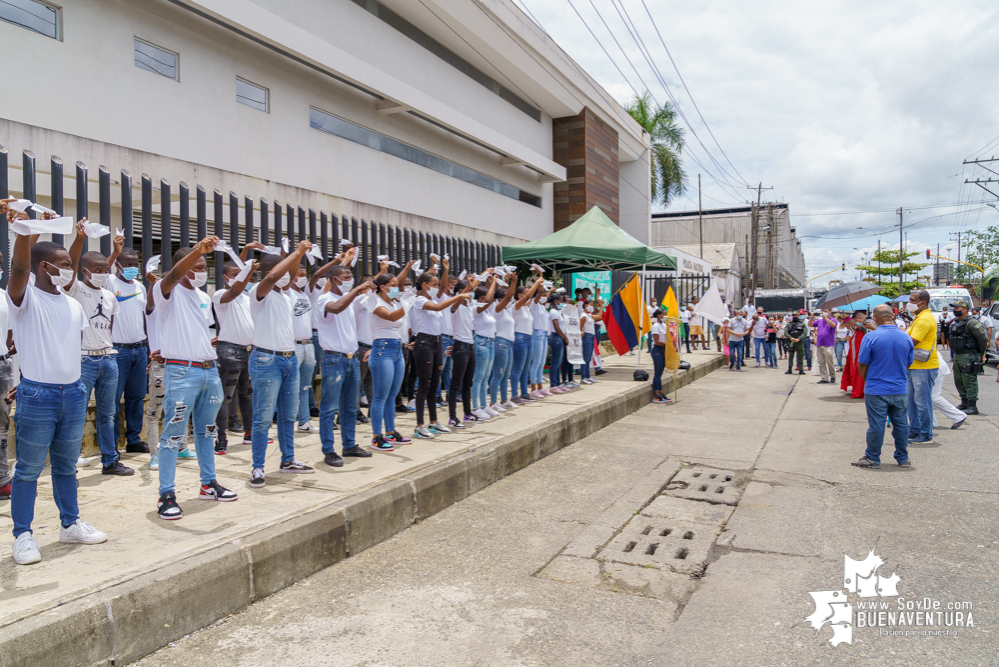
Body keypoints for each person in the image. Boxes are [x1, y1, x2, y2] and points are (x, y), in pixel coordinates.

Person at [5, 210, 110, 564]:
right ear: (43, 267)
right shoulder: (25, 299)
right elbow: (18, 270)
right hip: (38, 394)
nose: (69, 267)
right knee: (29, 469)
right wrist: (23, 233)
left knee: (66, 466)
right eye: (62, 263)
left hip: (74, 392)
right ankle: (23, 535)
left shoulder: (72, 304)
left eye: (70, 262)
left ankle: (70, 523)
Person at [152, 237, 238, 519]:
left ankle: (208, 483)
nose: (201, 271)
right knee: (173, 434)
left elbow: (197, 331)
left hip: (208, 369)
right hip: (181, 371)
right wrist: (198, 250)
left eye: (204, 266)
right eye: (197, 265)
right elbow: (174, 275)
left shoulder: (203, 297)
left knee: (206, 431)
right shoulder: (167, 291)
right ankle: (166, 494)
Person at [248, 241, 317, 489]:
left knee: (289, 415)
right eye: (282, 272)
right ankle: (257, 466)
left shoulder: (286, 295)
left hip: (289, 359)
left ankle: (287, 460)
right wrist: (296, 252)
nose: (288, 278)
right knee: (263, 418)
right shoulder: (259, 291)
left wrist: (298, 255)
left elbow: (284, 277)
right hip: (266, 359)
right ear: (269, 274)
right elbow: (277, 275)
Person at [65, 223, 132, 476]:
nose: (103, 274)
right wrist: (80, 237)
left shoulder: (109, 295)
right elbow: (70, 266)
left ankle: (110, 460)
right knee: (76, 414)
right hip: (83, 360)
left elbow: (109, 327)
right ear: (84, 272)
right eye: (97, 270)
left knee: (108, 414)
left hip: (108, 359)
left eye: (106, 270)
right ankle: (70, 463)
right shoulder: (75, 289)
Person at [315, 261, 376, 466]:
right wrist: (358, 288)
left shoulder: (350, 300)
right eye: (347, 277)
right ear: (335, 279)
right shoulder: (325, 298)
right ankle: (329, 449)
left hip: (352, 358)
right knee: (329, 407)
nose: (350, 280)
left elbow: (370, 303)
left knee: (350, 406)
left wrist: (372, 289)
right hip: (334, 358)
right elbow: (336, 308)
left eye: (352, 277)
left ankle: (349, 444)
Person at [410, 264, 471, 438]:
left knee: (434, 384)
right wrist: (458, 296)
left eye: (437, 284)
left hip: (436, 342)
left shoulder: (434, 299)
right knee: (424, 385)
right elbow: (438, 308)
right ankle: (419, 425)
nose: (437, 288)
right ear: (424, 285)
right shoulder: (420, 300)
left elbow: (440, 303)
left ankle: (434, 421)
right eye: (434, 284)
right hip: (424, 342)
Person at [851, 304, 914, 469]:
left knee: (876, 425)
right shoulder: (905, 337)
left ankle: (873, 457)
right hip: (899, 388)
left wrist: (868, 380)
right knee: (901, 424)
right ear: (892, 316)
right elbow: (908, 363)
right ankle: (902, 458)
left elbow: (862, 363)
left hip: (876, 388)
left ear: (875, 318)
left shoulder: (871, 337)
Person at [106, 235, 150, 455]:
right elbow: (101, 269)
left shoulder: (140, 287)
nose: (133, 267)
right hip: (117, 350)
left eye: (136, 264)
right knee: (113, 401)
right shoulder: (109, 282)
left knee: (136, 398)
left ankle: (133, 440)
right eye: (128, 264)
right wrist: (115, 251)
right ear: (118, 265)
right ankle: (112, 444)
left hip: (139, 349)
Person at [211, 259, 257, 455]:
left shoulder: (247, 297)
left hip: (249, 351)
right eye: (234, 275)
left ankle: (250, 433)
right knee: (225, 397)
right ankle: (221, 438)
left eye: (242, 274)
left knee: (248, 394)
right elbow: (235, 291)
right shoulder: (221, 294)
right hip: (230, 352)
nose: (241, 279)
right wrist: (247, 270)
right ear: (224, 277)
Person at [368, 268, 416, 449]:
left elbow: (398, 317)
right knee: (380, 396)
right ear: (382, 287)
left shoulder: (396, 303)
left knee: (391, 395)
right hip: (382, 349)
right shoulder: (375, 302)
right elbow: (389, 317)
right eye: (393, 286)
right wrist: (407, 305)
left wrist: (404, 305)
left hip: (397, 348)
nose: (397, 289)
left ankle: (390, 431)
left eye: (397, 285)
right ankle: (376, 436)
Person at [904, 290, 940, 444]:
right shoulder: (918, 318)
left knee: (922, 402)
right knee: (910, 401)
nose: (909, 302)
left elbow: (911, 342)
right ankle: (914, 430)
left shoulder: (924, 319)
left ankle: (926, 434)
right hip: (914, 365)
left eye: (912, 300)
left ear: (922, 302)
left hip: (923, 367)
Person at [287, 263, 318, 434]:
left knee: (305, 386)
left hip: (308, 344)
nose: (302, 277)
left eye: (304, 274)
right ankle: (287, 418)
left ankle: (304, 421)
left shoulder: (304, 295)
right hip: (294, 345)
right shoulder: (287, 293)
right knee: (290, 384)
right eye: (299, 274)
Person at [447, 277, 481, 428]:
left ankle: (468, 413)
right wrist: (467, 288)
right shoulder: (457, 306)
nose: (472, 294)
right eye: (470, 291)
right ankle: (452, 417)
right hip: (460, 346)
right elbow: (456, 303)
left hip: (470, 345)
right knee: (456, 383)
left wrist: (473, 282)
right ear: (461, 292)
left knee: (468, 383)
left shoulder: (469, 307)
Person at [946, 299, 987, 415]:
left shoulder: (972, 322)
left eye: (957, 308)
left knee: (969, 380)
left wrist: (980, 354)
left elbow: (982, 339)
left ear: (964, 309)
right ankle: (964, 402)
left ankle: (972, 406)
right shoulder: (957, 322)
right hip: (958, 355)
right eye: (954, 308)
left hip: (968, 355)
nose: (955, 310)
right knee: (959, 380)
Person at [488, 274, 519, 413]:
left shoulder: (506, 310)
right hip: (500, 343)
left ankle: (504, 400)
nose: (511, 299)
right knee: (497, 374)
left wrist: (506, 282)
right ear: (501, 299)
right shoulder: (497, 308)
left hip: (509, 344)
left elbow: (506, 295)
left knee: (505, 374)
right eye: (508, 297)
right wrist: (514, 282)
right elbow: (507, 296)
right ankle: (493, 402)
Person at [931, 347, 967, 429]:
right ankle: (930, 422)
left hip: (934, 367)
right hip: (935, 366)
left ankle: (958, 416)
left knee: (932, 396)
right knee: (926, 397)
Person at [528, 286, 553, 398]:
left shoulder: (543, 307)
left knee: (542, 362)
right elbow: (539, 296)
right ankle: (533, 388)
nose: (544, 297)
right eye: (542, 295)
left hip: (543, 335)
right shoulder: (534, 304)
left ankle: (540, 387)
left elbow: (545, 297)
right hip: (537, 334)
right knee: (536, 362)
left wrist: (550, 291)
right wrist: (540, 286)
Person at [840, 311, 871, 398]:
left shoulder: (868, 324)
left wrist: (861, 327)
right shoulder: (858, 328)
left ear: (859, 319)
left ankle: (861, 390)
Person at [547, 293, 571, 391]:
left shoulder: (557, 311)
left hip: (559, 337)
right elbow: (557, 328)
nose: (561, 302)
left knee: (558, 362)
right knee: (555, 362)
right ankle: (553, 384)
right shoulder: (553, 312)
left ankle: (558, 382)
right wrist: (565, 337)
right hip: (556, 337)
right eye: (560, 300)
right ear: (556, 301)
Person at [650, 309, 671, 403]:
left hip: (663, 350)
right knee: (657, 373)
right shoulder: (655, 326)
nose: (665, 316)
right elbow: (657, 341)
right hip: (657, 350)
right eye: (663, 315)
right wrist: (668, 344)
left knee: (660, 373)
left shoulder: (664, 325)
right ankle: (656, 395)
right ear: (658, 315)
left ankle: (661, 392)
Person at [813, 309, 838, 384]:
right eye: (823, 311)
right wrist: (811, 317)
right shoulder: (819, 321)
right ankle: (824, 378)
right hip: (820, 343)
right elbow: (811, 325)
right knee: (821, 362)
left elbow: (833, 325)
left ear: (830, 312)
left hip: (828, 344)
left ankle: (832, 375)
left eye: (826, 311)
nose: (824, 312)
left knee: (829, 361)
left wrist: (825, 318)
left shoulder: (833, 320)